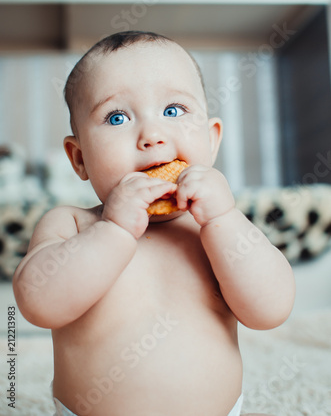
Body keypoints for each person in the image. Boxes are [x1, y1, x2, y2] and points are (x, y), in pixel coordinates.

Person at [13, 31, 295, 416]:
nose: (152, 136)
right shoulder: (72, 224)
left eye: (174, 110)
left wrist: (225, 220)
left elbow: (271, 310)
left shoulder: (216, 227)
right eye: (117, 117)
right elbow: (37, 304)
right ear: (79, 158)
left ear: (211, 141)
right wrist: (113, 230)